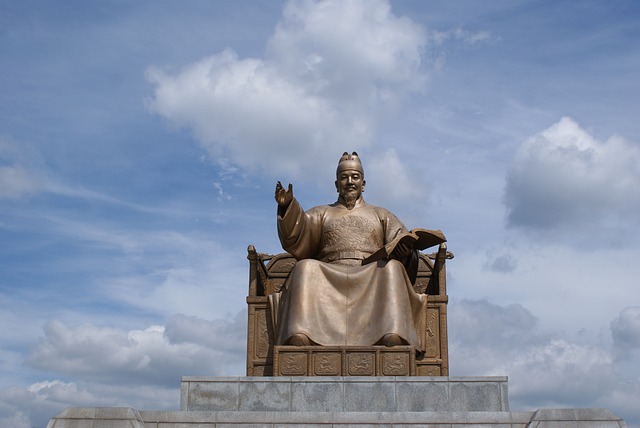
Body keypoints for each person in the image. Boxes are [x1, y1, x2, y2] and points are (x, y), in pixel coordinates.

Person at [269, 152, 429, 352]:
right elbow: (299, 231)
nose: (350, 182)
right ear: (336, 184)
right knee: (304, 267)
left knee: (393, 268)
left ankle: (392, 332)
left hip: (371, 272)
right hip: (329, 271)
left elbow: (400, 240)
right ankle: (301, 333)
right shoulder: (322, 212)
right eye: (344, 177)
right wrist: (287, 207)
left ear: (363, 183)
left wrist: (405, 251)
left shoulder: (381, 214)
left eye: (355, 177)